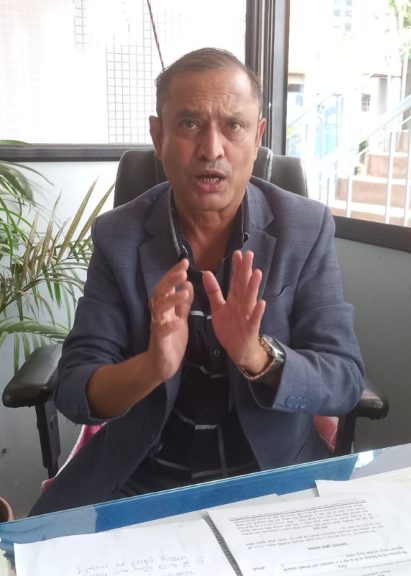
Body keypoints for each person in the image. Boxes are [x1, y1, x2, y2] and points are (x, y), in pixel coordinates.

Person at [29, 47, 364, 515]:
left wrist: (258, 356)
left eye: (233, 125)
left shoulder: (305, 229)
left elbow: (344, 378)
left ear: (257, 137)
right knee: (30, 550)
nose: (211, 149)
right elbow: (74, 388)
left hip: (270, 475)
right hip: (140, 476)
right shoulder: (119, 236)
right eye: (189, 124)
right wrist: (152, 366)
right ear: (158, 135)